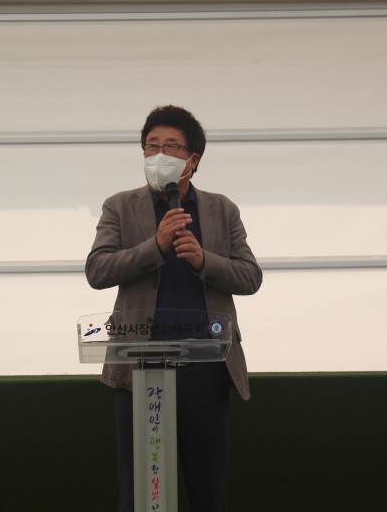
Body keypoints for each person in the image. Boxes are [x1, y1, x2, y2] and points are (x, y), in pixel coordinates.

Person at [85, 105, 262, 511]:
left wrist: (204, 261)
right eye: (151, 146)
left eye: (170, 147)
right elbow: (97, 270)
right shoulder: (120, 206)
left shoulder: (221, 209)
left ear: (193, 160)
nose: (158, 155)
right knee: (142, 493)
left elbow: (250, 277)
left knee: (208, 489)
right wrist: (156, 246)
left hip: (207, 369)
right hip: (141, 368)